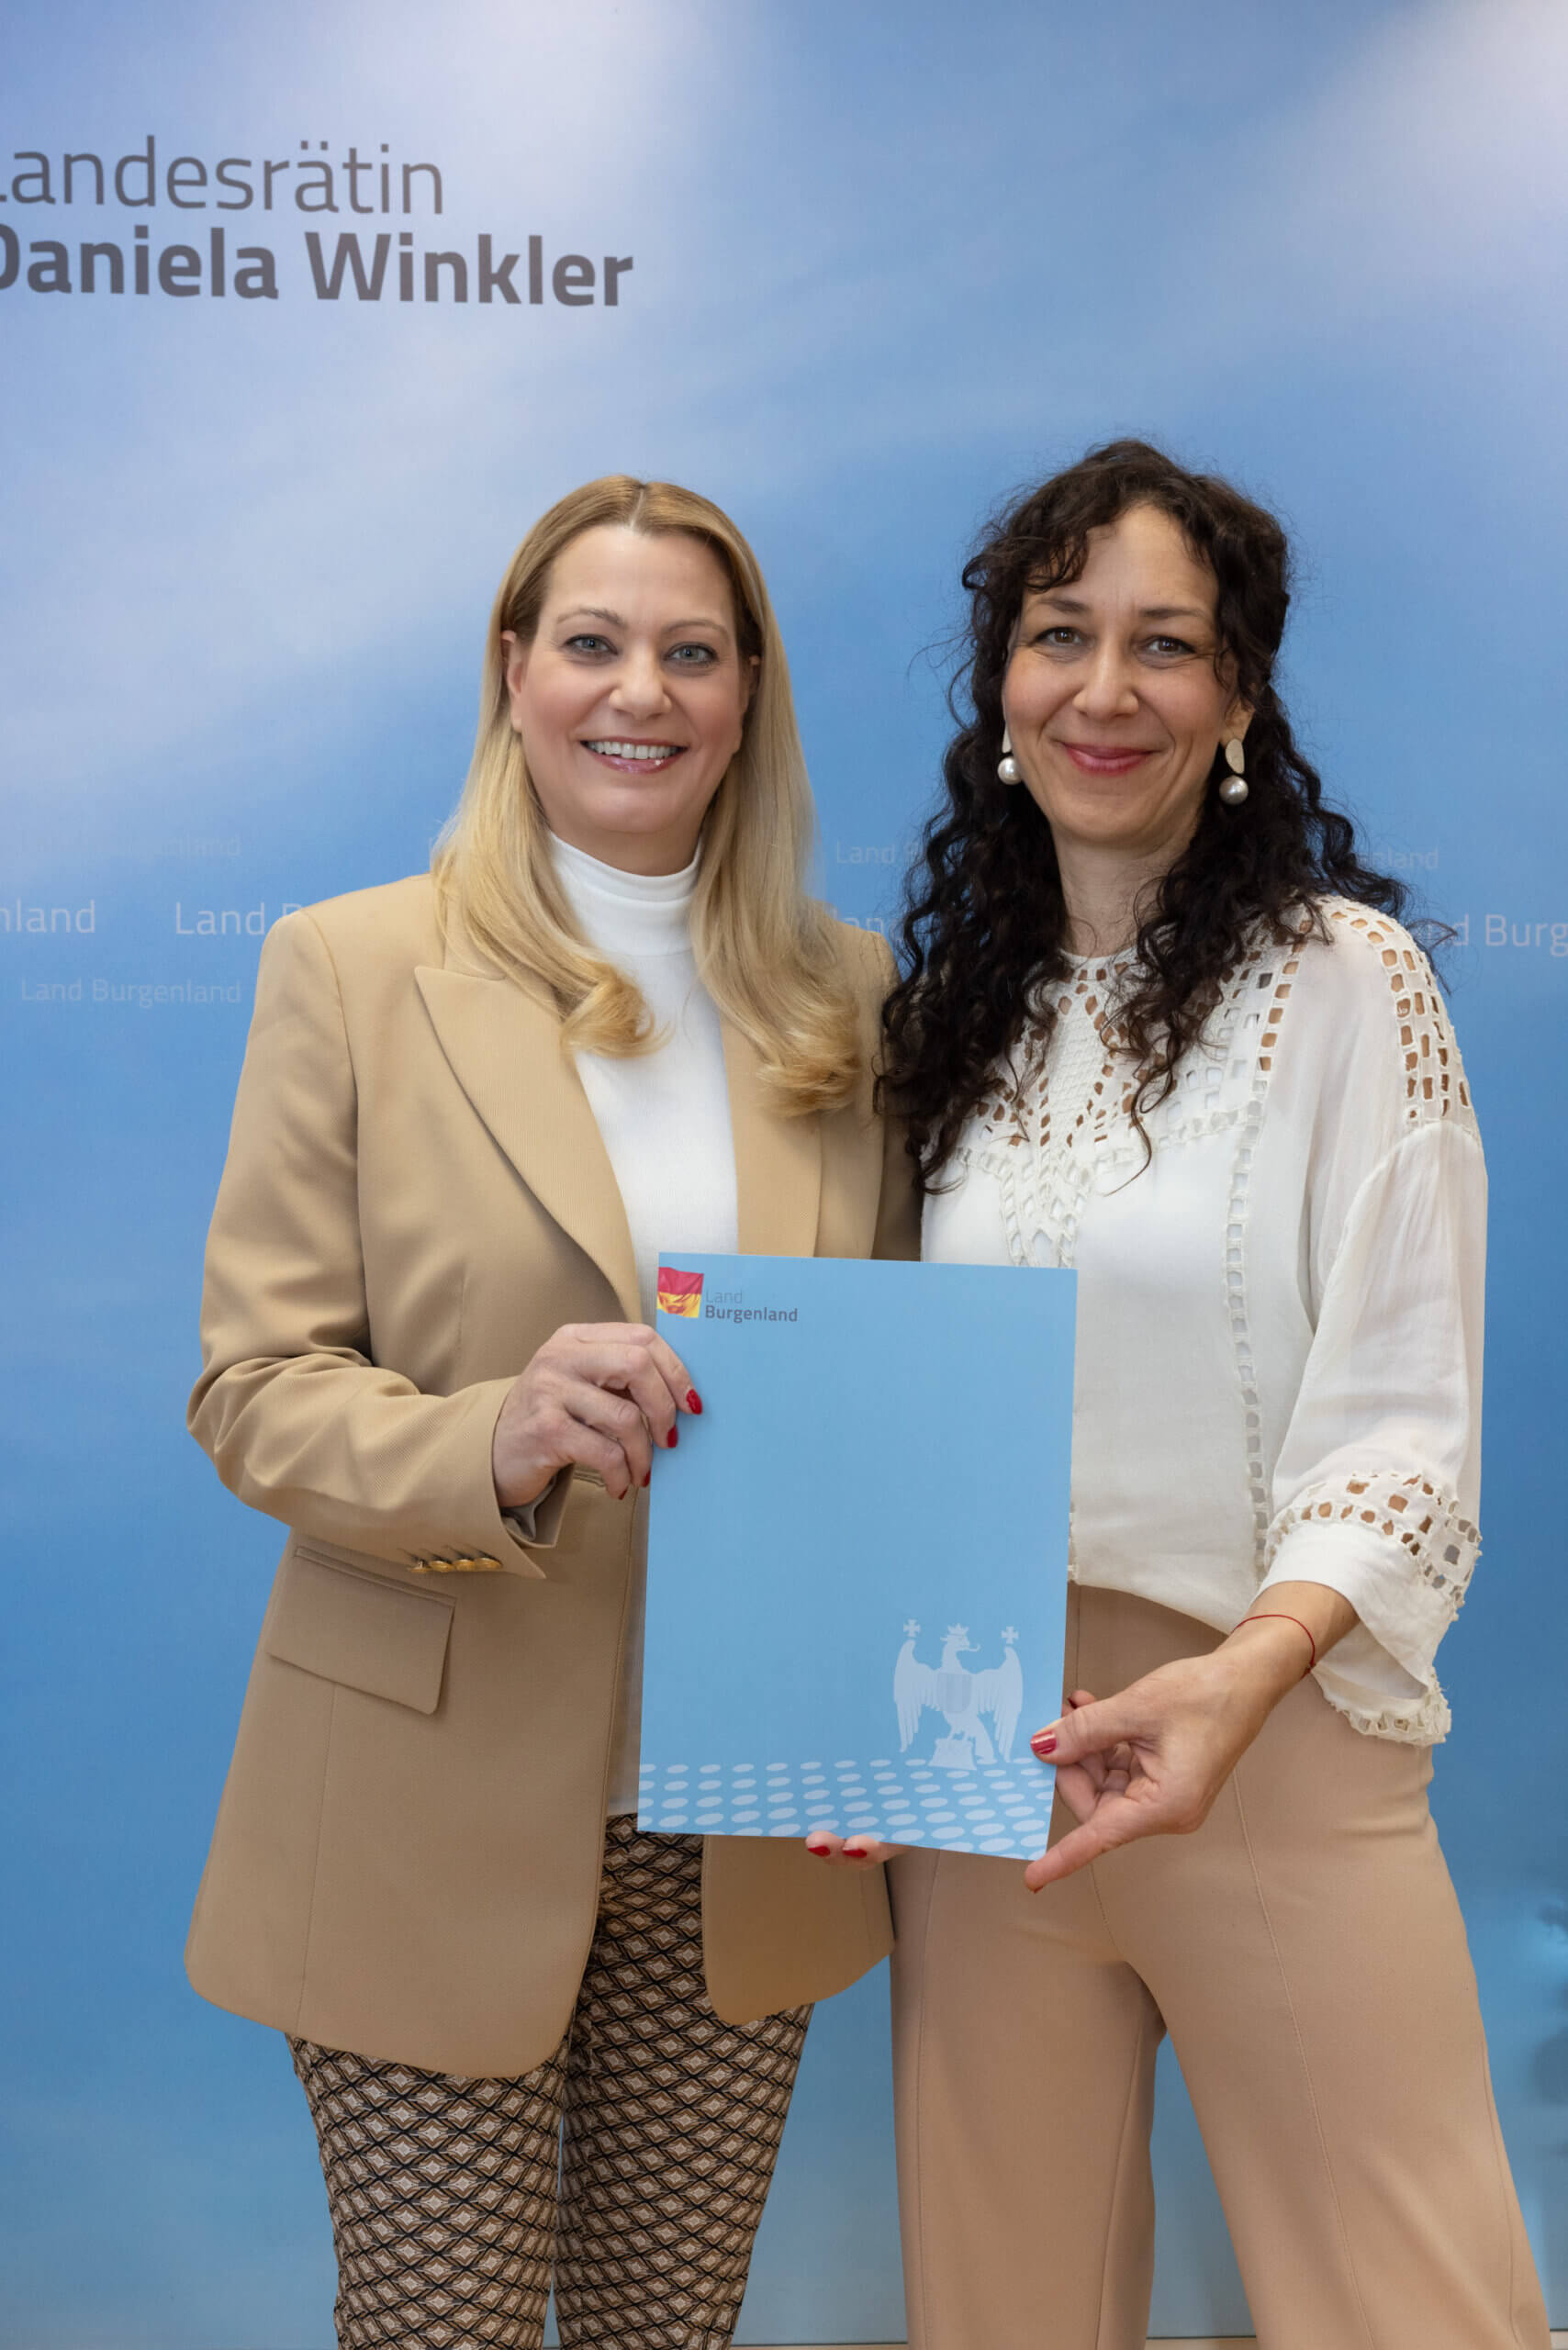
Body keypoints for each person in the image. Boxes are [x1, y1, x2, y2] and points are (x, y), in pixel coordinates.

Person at [809, 441, 1550, 2348]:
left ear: (1235, 699)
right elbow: (881, 1403)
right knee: (997, 2307)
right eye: (1059, 635)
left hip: (1263, 1734)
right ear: (999, 686)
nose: (1101, 688)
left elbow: (1400, 1418)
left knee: (1409, 2307)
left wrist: (1240, 1674)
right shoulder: (947, 1025)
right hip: (985, 1765)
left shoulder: (1342, 984)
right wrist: (846, 1707)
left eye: (1163, 643)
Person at [185, 475, 914, 2350]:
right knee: (439, 2325)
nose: (639, 692)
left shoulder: (847, 996)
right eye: (591, 643)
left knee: (664, 2326)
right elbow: (251, 1390)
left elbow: (888, 1400)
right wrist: (485, 1437)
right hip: (424, 1795)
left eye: (690, 651)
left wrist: (893, 1710)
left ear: (746, 694)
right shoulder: (350, 967)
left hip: (740, 1809)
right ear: (513, 674)